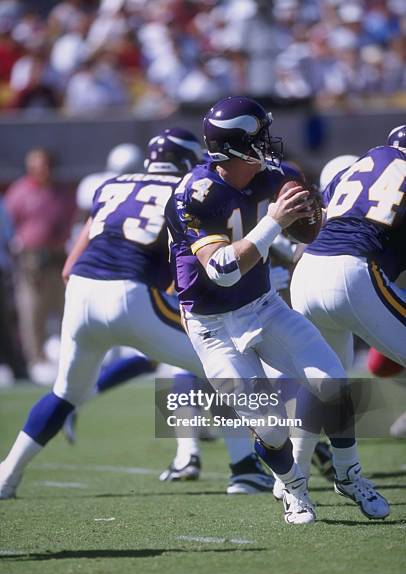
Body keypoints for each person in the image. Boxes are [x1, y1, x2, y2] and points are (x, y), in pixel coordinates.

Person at [0, 128, 274, 501]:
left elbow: (69, 267)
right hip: (132, 291)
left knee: (64, 393)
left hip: (81, 291)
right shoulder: (188, 190)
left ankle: (7, 475)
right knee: (219, 364)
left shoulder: (110, 187)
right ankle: (246, 469)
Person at [165, 95, 389, 524]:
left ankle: (349, 475)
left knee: (333, 381)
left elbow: (304, 232)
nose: (268, 143)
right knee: (267, 425)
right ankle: (295, 488)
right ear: (233, 146)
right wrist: (276, 221)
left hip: (264, 305)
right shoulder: (194, 194)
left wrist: (309, 219)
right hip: (212, 325)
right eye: (258, 136)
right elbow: (224, 270)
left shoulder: (277, 178)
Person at [289, 124, 406, 487]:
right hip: (353, 274)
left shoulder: (355, 167)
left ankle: (291, 477)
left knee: (325, 382)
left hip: (306, 273)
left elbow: (314, 226)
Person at [4, 147, 76, 384]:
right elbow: (10, 225)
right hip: (31, 262)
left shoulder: (61, 193)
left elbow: (71, 221)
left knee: (67, 311)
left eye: (43, 164)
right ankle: (35, 361)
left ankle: (67, 359)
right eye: (34, 165)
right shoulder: (19, 192)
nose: (39, 170)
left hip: (57, 260)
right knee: (31, 312)